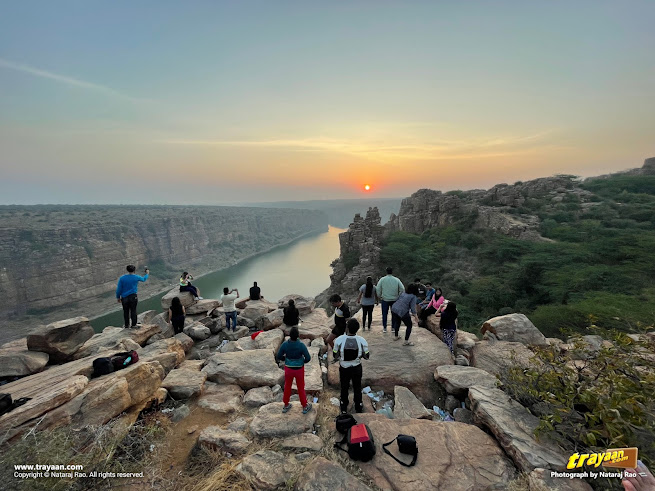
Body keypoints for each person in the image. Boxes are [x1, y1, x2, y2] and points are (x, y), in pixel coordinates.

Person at [333, 319, 370, 413]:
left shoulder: (339, 340)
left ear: (347, 328)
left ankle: (344, 406)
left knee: (344, 387)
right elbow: (367, 356)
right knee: (357, 387)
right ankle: (358, 406)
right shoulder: (362, 340)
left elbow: (335, 355)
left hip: (344, 368)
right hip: (357, 367)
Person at [276, 326, 313, 414]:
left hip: (288, 368)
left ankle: (286, 405)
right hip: (299, 369)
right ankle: (304, 406)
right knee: (300, 387)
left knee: (287, 385)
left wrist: (285, 359)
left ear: (289, 335)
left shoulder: (285, 344)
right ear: (298, 335)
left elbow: (278, 356)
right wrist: (302, 361)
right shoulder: (301, 345)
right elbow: (308, 358)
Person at [375, 267, 405, 333]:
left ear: (386, 272)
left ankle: (385, 328)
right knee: (394, 314)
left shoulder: (382, 279)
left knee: (384, 313)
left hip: (385, 299)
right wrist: (398, 296)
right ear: (392, 272)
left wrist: (379, 296)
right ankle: (393, 327)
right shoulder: (396, 280)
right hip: (394, 299)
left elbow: (378, 288)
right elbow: (402, 289)